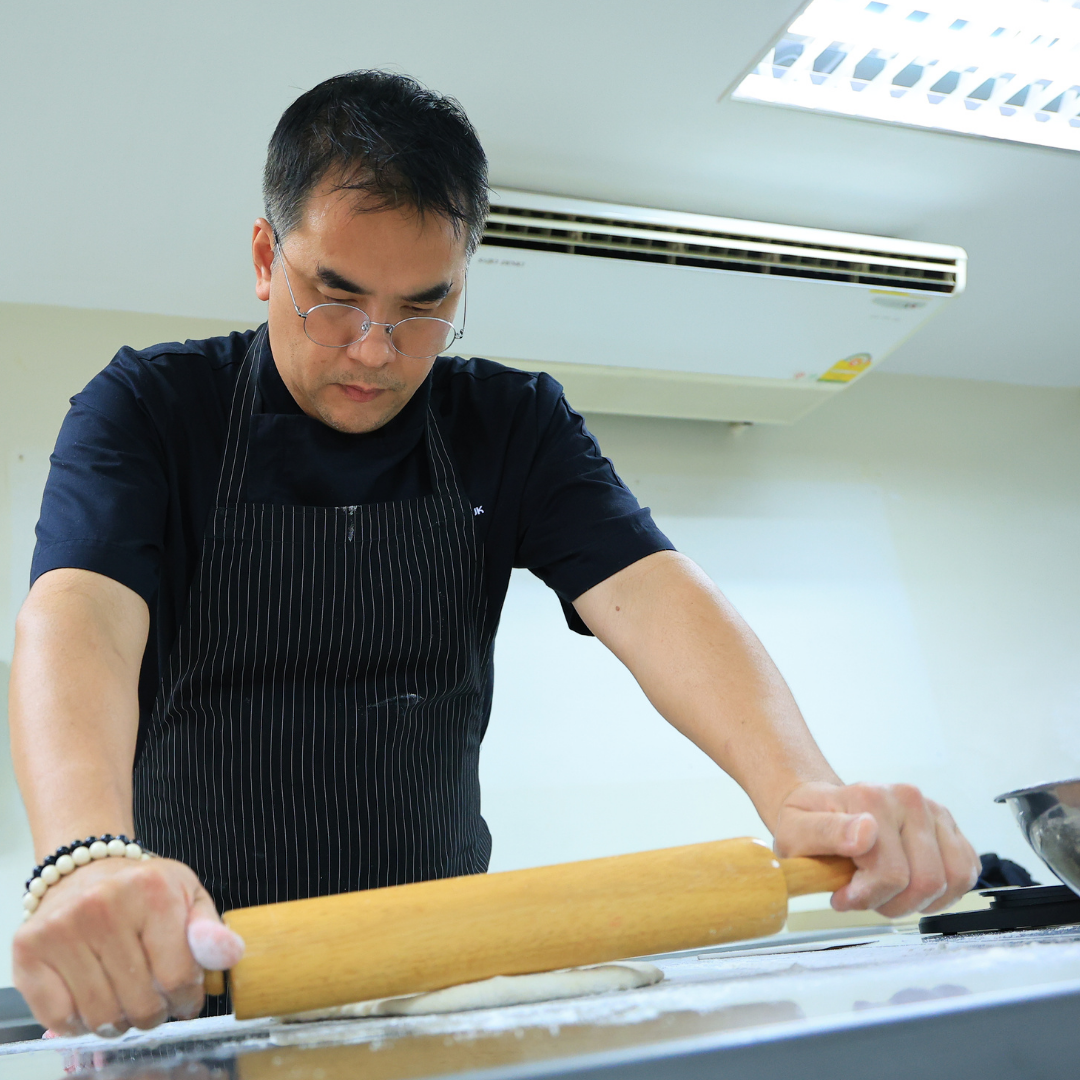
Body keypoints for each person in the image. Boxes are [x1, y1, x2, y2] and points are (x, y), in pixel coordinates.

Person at [9, 70, 979, 1037]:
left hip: (442, 983)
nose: (376, 349)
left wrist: (804, 793)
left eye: (423, 306)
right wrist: (90, 856)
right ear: (268, 258)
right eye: (335, 298)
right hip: (186, 985)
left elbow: (655, 596)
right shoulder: (149, 409)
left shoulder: (511, 425)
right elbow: (80, 617)